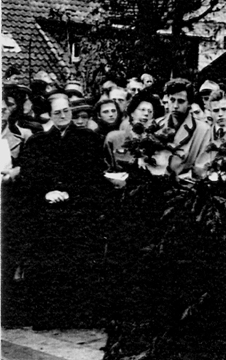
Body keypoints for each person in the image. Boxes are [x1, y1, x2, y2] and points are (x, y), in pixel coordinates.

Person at [18, 94, 111, 329]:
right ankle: (48, 315)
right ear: (49, 114)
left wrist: (71, 192)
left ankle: (78, 315)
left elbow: (94, 176)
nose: (63, 116)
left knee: (78, 260)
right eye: (57, 112)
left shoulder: (89, 139)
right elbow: (28, 178)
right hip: (47, 210)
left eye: (66, 111)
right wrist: (46, 192)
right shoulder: (37, 142)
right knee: (48, 260)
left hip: (78, 208)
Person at [154, 78, 212, 179]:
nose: (175, 106)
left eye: (181, 101)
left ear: (189, 103)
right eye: (172, 100)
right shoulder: (157, 125)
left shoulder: (203, 130)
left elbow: (201, 169)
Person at [104, 92, 161, 171]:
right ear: (132, 113)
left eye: (150, 111)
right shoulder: (114, 137)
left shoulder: (157, 140)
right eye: (142, 110)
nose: (146, 114)